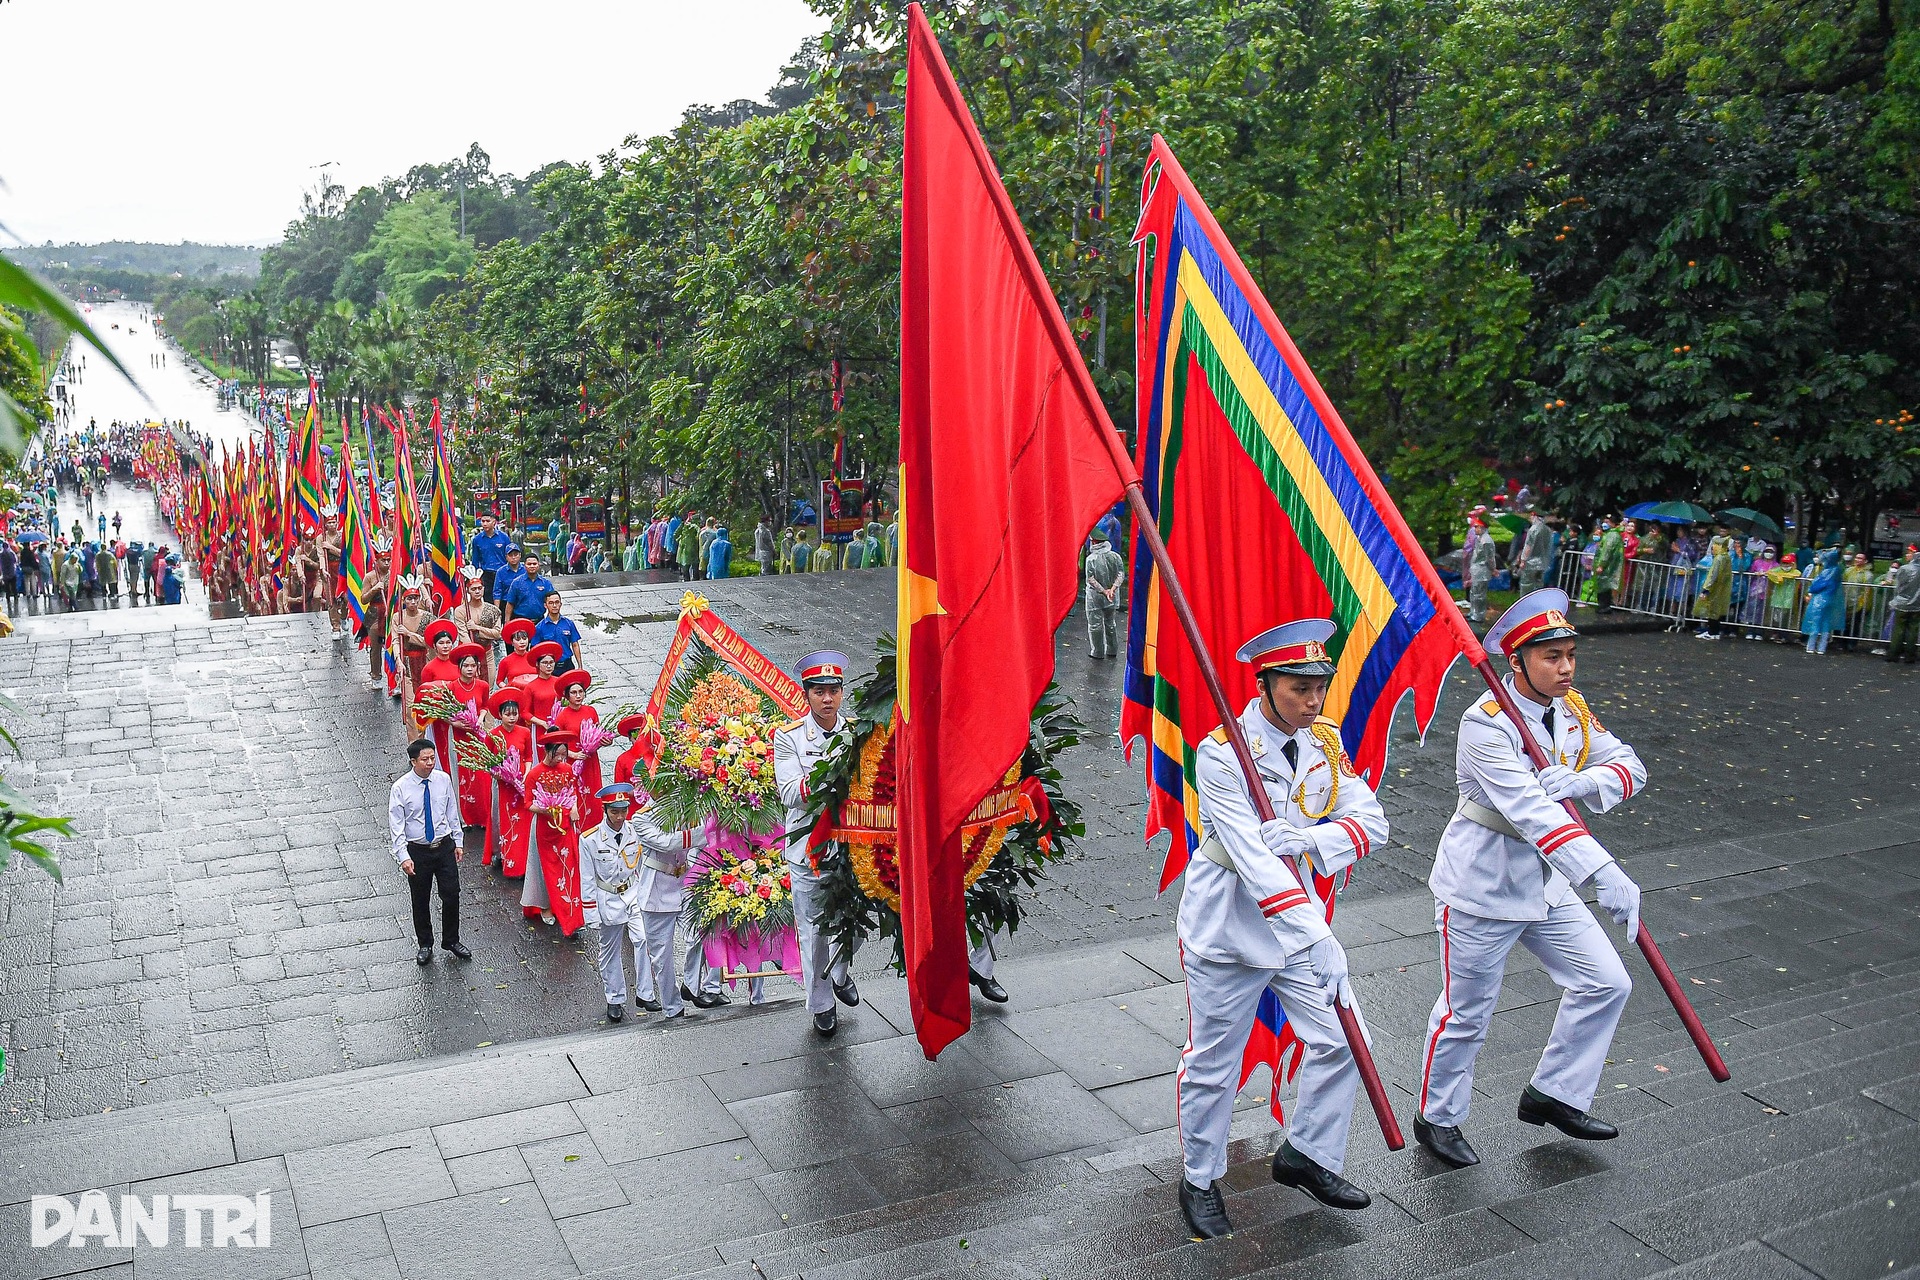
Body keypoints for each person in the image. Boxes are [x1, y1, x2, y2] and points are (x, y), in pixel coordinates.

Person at [1415, 589, 1644, 1172]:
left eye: (1570, 655)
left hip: (1545, 884)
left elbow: (1630, 765)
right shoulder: (1484, 723)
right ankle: (1437, 1118)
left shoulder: (1573, 711)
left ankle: (1556, 1093)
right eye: (1551, 657)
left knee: (1606, 982)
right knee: (1466, 1013)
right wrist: (1602, 869)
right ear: (1516, 662)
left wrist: (1585, 783)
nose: (1565, 668)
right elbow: (1530, 812)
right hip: (1483, 885)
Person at [1173, 619, 1383, 1239]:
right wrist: (1317, 935)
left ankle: (1307, 1153)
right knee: (1214, 1062)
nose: (1314, 701)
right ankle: (1200, 1176)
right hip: (1230, 925)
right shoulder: (1223, 751)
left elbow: (1373, 822)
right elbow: (1253, 859)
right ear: (1264, 685)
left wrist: (1314, 837)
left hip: (1296, 925)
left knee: (1346, 1039)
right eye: (1299, 688)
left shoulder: (1324, 742)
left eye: (1321, 686)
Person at [774, 651, 862, 1035]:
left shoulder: (858, 733)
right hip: (807, 848)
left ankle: (840, 973)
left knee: (856, 924)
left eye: (834, 691)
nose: (827, 699)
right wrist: (830, 779)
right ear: (806, 695)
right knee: (813, 932)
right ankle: (822, 1004)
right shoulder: (789, 737)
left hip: (850, 845)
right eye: (819, 691)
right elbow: (791, 792)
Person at [389, 739, 471, 966]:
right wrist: (403, 856)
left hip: (443, 846)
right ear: (413, 761)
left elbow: (451, 811)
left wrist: (458, 840)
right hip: (418, 850)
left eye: (432, 758)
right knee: (421, 898)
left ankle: (452, 940)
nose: (430, 763)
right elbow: (396, 825)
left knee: (451, 893)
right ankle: (425, 943)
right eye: (425, 759)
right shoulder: (400, 788)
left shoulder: (443, 780)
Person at [520, 728, 586, 933]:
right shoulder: (535, 774)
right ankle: (547, 906)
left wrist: (574, 808)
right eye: (557, 754)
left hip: (565, 826)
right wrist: (546, 810)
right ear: (548, 751)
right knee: (547, 868)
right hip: (545, 828)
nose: (560, 758)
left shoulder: (567, 769)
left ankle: (570, 911)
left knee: (569, 866)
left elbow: (572, 791)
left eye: (563, 755)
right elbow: (528, 803)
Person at [486, 687, 535, 871]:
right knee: (502, 819)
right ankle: (502, 854)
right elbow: (488, 762)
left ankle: (523, 858)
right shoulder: (493, 735)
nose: (512, 718)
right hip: (502, 784)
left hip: (522, 782)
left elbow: (529, 756)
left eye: (515, 714)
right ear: (500, 715)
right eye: (507, 714)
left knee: (523, 821)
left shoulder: (524, 732)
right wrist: (501, 775)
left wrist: (526, 774)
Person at [552, 670, 604, 827]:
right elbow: (555, 744)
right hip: (572, 763)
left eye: (581, 691)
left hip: (590, 761)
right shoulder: (562, 716)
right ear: (567, 696)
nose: (578, 695)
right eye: (573, 692)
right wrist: (573, 754)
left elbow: (597, 734)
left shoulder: (591, 711)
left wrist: (603, 742)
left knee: (592, 795)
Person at [452, 568, 504, 682]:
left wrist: (477, 628)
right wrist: (473, 654)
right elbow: (463, 634)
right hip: (468, 655)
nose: (477, 591)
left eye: (479, 588)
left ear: (484, 589)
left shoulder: (493, 610)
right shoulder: (461, 611)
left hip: (487, 653)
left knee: (488, 686)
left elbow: (497, 634)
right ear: (468, 591)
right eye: (473, 589)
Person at [1083, 528, 1126, 659]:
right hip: (1112, 597)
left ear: (1095, 542)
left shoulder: (1091, 559)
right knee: (1110, 623)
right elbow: (1121, 573)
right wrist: (1112, 589)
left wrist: (1103, 590)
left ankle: (1097, 651)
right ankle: (1112, 649)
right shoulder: (1115, 556)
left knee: (1095, 624)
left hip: (1094, 597)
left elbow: (1090, 579)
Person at [1800, 547, 1844, 655]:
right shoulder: (1837, 570)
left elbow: (1816, 586)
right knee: (1826, 623)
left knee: (1815, 622)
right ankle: (1822, 648)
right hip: (1830, 599)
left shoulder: (1827, 572)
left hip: (1819, 599)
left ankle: (1811, 646)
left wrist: (1811, 590)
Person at [533, 591, 585, 675]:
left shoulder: (569, 623)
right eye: (551, 603)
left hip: (567, 665)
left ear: (560, 604)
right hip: (550, 668)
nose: (554, 606)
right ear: (545, 605)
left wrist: (580, 666)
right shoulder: (539, 628)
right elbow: (535, 650)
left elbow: (575, 645)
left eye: (557, 602)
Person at [1692, 534, 1731, 639]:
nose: (1713, 547)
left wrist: (1706, 589)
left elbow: (1713, 574)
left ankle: (1712, 632)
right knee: (1716, 610)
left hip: (1714, 588)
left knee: (1712, 610)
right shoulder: (1726, 557)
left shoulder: (1719, 559)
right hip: (1721, 588)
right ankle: (1714, 631)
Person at [1886, 545, 1920, 664]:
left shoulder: (1905, 568)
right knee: (1913, 630)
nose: (1906, 555)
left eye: (1909, 552)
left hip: (1902, 603)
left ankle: (1893, 654)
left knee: (1898, 629)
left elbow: (1898, 586)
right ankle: (1910, 655)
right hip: (1917, 604)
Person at [469, 511, 512, 603]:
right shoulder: (477, 539)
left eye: (487, 521)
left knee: (505, 599)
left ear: (494, 522)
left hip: (502, 573)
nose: (485, 524)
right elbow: (475, 560)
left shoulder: (504, 537)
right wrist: (475, 576)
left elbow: (510, 556)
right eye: (483, 521)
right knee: (489, 600)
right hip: (486, 574)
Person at [505, 554, 555, 624]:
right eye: (529, 564)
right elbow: (510, 603)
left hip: (539, 621)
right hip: (520, 621)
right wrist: (507, 622)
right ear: (524, 565)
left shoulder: (546, 583)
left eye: (534, 564)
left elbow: (552, 602)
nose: (532, 566)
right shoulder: (516, 583)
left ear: (538, 565)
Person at [1842, 551, 1876, 651]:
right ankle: (1842, 642)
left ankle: (1852, 644)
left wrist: (1862, 604)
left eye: (1860, 558)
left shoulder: (1868, 575)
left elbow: (1867, 592)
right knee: (1845, 623)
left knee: (1855, 624)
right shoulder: (1849, 570)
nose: (1857, 560)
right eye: (1856, 557)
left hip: (1859, 603)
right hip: (1846, 601)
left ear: (1865, 561)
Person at [1466, 513, 1496, 622]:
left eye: (1477, 527)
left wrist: (1493, 569)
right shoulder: (1480, 539)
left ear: (1482, 527)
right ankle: (1473, 612)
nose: (1475, 529)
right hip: (1477, 570)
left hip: (1482, 571)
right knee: (1474, 592)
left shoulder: (1486, 541)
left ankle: (1478, 615)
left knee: (1479, 594)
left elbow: (1490, 558)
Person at [1590, 520, 1624, 614]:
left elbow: (1607, 551)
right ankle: (1604, 606)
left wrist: (1602, 565)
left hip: (1607, 567)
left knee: (1604, 586)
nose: (1605, 524)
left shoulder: (1612, 535)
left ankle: (1604, 607)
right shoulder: (1610, 534)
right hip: (1607, 566)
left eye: (1608, 522)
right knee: (1604, 586)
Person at [1516, 510, 1553, 593]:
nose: (1530, 518)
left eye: (1531, 516)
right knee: (1538, 585)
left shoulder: (1533, 529)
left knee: (1526, 585)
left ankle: (1525, 603)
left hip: (1530, 563)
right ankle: (1537, 602)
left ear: (1535, 516)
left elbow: (1528, 546)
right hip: (1543, 562)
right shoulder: (1547, 530)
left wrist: (1523, 560)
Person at [497, 618, 538, 686]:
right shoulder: (506, 661)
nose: (522, 642)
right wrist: (508, 688)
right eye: (518, 639)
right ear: (512, 642)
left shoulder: (534, 658)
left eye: (524, 639)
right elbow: (499, 681)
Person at [492, 543, 526, 615]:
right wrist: (497, 610)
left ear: (520, 555)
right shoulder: (501, 572)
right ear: (506, 557)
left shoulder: (526, 569)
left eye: (516, 554)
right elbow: (497, 592)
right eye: (510, 555)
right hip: (506, 603)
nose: (513, 557)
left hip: (523, 603)